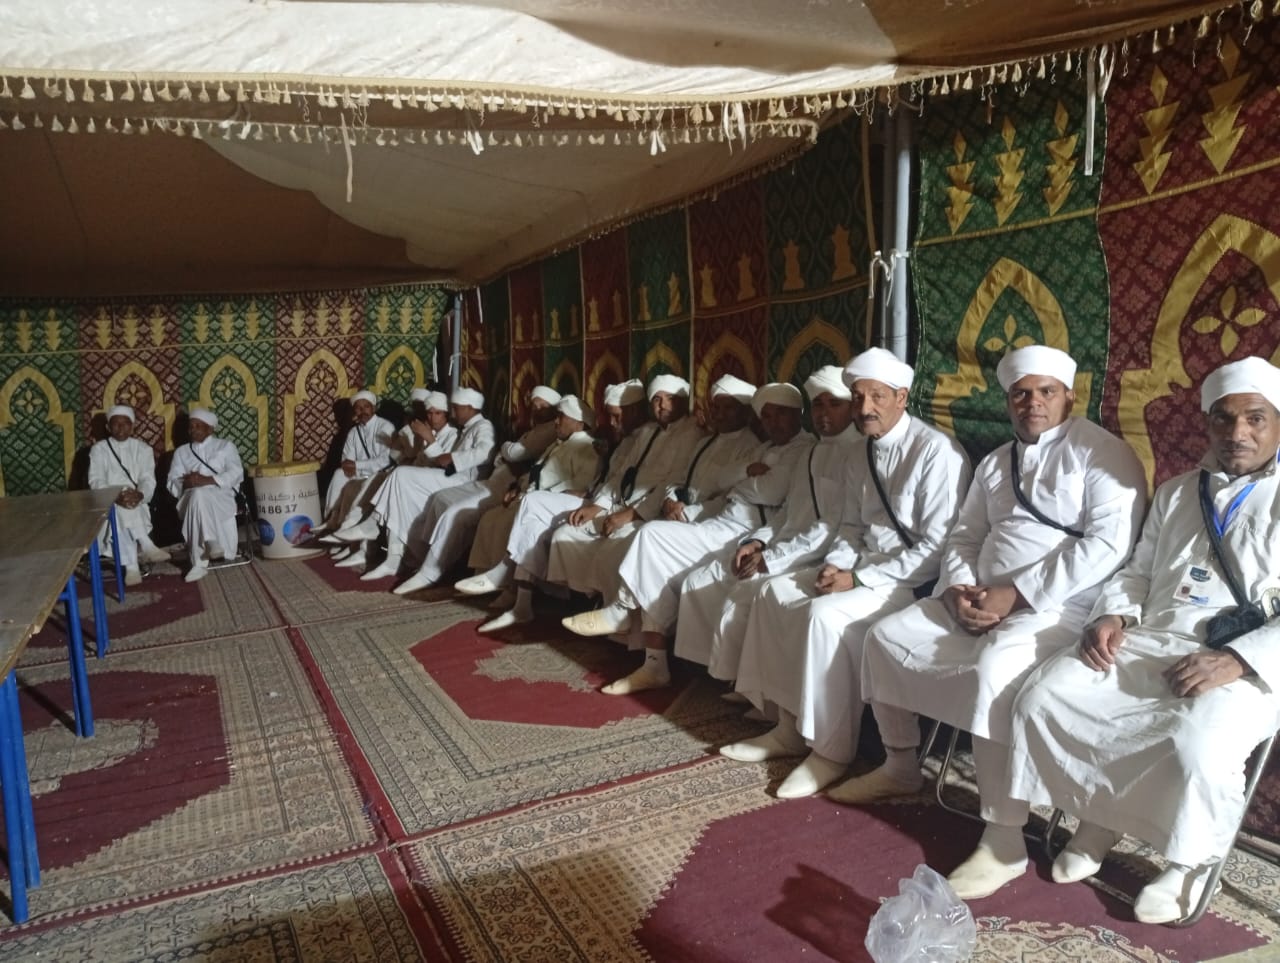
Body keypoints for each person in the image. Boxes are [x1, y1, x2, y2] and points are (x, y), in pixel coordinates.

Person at [840, 345, 1147, 900]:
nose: (1033, 403)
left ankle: (1003, 838)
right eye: (1021, 394)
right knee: (886, 636)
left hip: (1061, 607)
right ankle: (900, 763)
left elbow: (1108, 545)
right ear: (1008, 401)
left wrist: (1018, 595)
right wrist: (958, 589)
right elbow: (965, 535)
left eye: (1046, 392)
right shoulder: (995, 462)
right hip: (978, 597)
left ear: (1069, 395)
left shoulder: (1104, 454)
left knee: (993, 669)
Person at [991, 356, 1280, 924]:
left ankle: (1192, 862)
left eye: (1255, 419)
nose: (1237, 433)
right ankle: (1101, 817)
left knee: (1194, 742)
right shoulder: (1177, 492)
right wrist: (1114, 616)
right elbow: (1137, 572)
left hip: (1246, 659)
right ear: (1207, 424)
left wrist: (1238, 660)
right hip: (1152, 637)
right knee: (1045, 697)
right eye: (1223, 419)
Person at [719, 349, 972, 797]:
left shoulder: (937, 453)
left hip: (913, 582)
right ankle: (788, 727)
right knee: (773, 592)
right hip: (864, 567)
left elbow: (938, 549)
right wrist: (837, 564)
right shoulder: (861, 454)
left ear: (901, 397)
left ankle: (830, 752)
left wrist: (856, 580)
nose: (865, 408)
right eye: (858, 397)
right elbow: (852, 527)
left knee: (824, 616)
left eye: (877, 397)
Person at [564, 382, 813, 695]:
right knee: (654, 557)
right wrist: (742, 476)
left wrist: (738, 482)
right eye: (768, 416)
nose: (773, 423)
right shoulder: (763, 449)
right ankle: (654, 664)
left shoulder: (801, 448)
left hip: (742, 531)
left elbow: (769, 491)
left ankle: (624, 609)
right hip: (716, 519)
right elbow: (720, 482)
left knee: (651, 535)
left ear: (798, 415)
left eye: (781, 415)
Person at [673, 365, 860, 677]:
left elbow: (831, 526)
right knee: (701, 580)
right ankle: (715, 674)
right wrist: (757, 541)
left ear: (851, 407)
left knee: (749, 593)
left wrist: (772, 557)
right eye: (818, 404)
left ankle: (751, 686)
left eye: (834, 404)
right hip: (785, 544)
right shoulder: (814, 452)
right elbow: (787, 510)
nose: (824, 413)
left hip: (821, 555)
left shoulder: (855, 453)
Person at [468, 379, 649, 631]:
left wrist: (593, 499)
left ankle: (506, 573)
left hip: (593, 502)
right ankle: (521, 604)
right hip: (596, 500)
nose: (612, 423)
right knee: (526, 520)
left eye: (560, 417)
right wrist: (518, 486)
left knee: (532, 504)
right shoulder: (581, 443)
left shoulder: (595, 444)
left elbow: (594, 483)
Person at [366, 386, 560, 584]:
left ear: (469, 408)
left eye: (455, 409)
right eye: (534, 406)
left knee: (403, 477)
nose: (453, 413)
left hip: (469, 479)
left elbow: (488, 454)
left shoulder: (484, 426)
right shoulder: (473, 429)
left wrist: (500, 449)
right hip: (460, 476)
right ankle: (402, 554)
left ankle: (424, 563)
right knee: (418, 493)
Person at [544, 374, 708, 602]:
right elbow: (621, 473)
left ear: (681, 401)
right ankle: (583, 599)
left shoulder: (692, 433)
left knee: (611, 549)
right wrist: (597, 507)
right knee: (565, 534)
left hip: (646, 513)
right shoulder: (648, 432)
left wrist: (630, 515)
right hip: (619, 505)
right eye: (656, 399)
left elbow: (671, 483)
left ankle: (614, 609)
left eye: (669, 398)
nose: (662, 405)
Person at [332, 386, 496, 572]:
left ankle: (372, 526)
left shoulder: (479, 427)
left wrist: (449, 456)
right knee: (396, 483)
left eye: (442, 412)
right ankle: (388, 554)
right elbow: (410, 456)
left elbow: (483, 453)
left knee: (400, 474)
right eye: (429, 413)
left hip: (461, 481)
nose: (433, 417)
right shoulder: (465, 429)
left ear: (469, 407)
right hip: (443, 476)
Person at [456, 395, 601, 599]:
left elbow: (582, 486)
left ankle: (507, 584)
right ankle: (486, 580)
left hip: (560, 506)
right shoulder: (558, 444)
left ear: (579, 423)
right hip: (534, 498)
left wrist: (541, 496)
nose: (556, 422)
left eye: (561, 417)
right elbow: (538, 472)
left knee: (513, 520)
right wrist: (518, 486)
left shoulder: (587, 447)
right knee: (491, 518)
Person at [88, 404, 169, 586]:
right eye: (116, 424)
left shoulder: (143, 449)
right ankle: (146, 544)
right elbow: (96, 480)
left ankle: (132, 567)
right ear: (108, 427)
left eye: (125, 424)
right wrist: (116, 495)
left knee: (125, 507)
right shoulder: (99, 449)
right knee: (120, 507)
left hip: (136, 501)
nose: (120, 428)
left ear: (132, 427)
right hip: (107, 500)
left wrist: (140, 495)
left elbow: (148, 479)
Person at [166, 407, 245, 583]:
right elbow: (172, 480)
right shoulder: (181, 452)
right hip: (189, 499)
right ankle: (211, 541)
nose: (192, 430)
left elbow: (236, 472)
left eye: (198, 426)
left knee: (200, 493)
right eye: (190, 426)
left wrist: (207, 480)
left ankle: (198, 564)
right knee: (197, 494)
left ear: (210, 429)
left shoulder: (225, 446)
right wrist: (186, 483)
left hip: (220, 497)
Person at [317, 389, 396, 535]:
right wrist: (349, 466)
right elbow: (347, 460)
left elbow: (386, 460)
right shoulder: (354, 432)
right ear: (355, 411)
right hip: (360, 473)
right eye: (358, 408)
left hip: (382, 475)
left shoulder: (385, 426)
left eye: (366, 406)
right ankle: (331, 519)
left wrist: (357, 465)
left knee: (358, 479)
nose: (363, 411)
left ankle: (346, 527)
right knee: (339, 474)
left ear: (374, 408)